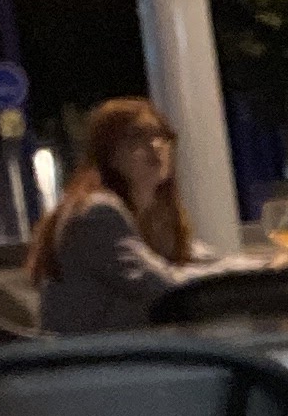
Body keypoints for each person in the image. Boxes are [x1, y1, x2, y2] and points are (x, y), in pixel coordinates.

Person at [26, 99, 205, 332]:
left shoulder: (148, 214)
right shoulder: (98, 213)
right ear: (108, 152)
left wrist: (245, 267)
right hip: (98, 351)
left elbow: (195, 258)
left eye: (161, 135)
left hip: (123, 347)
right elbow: (163, 285)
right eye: (137, 137)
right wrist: (238, 279)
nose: (155, 145)